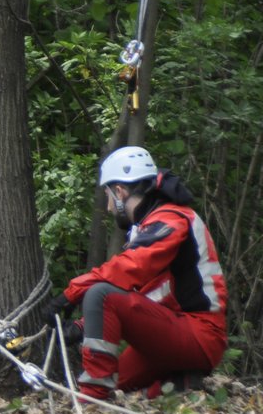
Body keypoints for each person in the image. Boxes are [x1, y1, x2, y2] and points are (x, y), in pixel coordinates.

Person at [42, 145, 227, 399]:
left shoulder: (172, 218)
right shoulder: (152, 225)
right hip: (174, 331)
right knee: (120, 384)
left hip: (198, 335)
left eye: (108, 196)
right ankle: (180, 382)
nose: (108, 207)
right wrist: (80, 327)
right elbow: (145, 295)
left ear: (120, 191)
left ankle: (92, 400)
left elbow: (132, 267)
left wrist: (69, 295)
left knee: (100, 294)